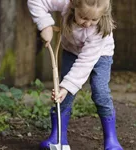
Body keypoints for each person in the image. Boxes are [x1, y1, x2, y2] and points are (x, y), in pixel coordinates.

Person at [27, 0, 124, 149]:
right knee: (63, 96)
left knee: (100, 91)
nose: (87, 23)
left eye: (94, 19)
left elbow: (85, 62)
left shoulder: (99, 30)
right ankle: (58, 137)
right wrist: (44, 24)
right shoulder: (66, 3)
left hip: (100, 55)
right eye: (83, 17)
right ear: (73, 5)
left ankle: (111, 140)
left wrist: (67, 86)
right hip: (71, 51)